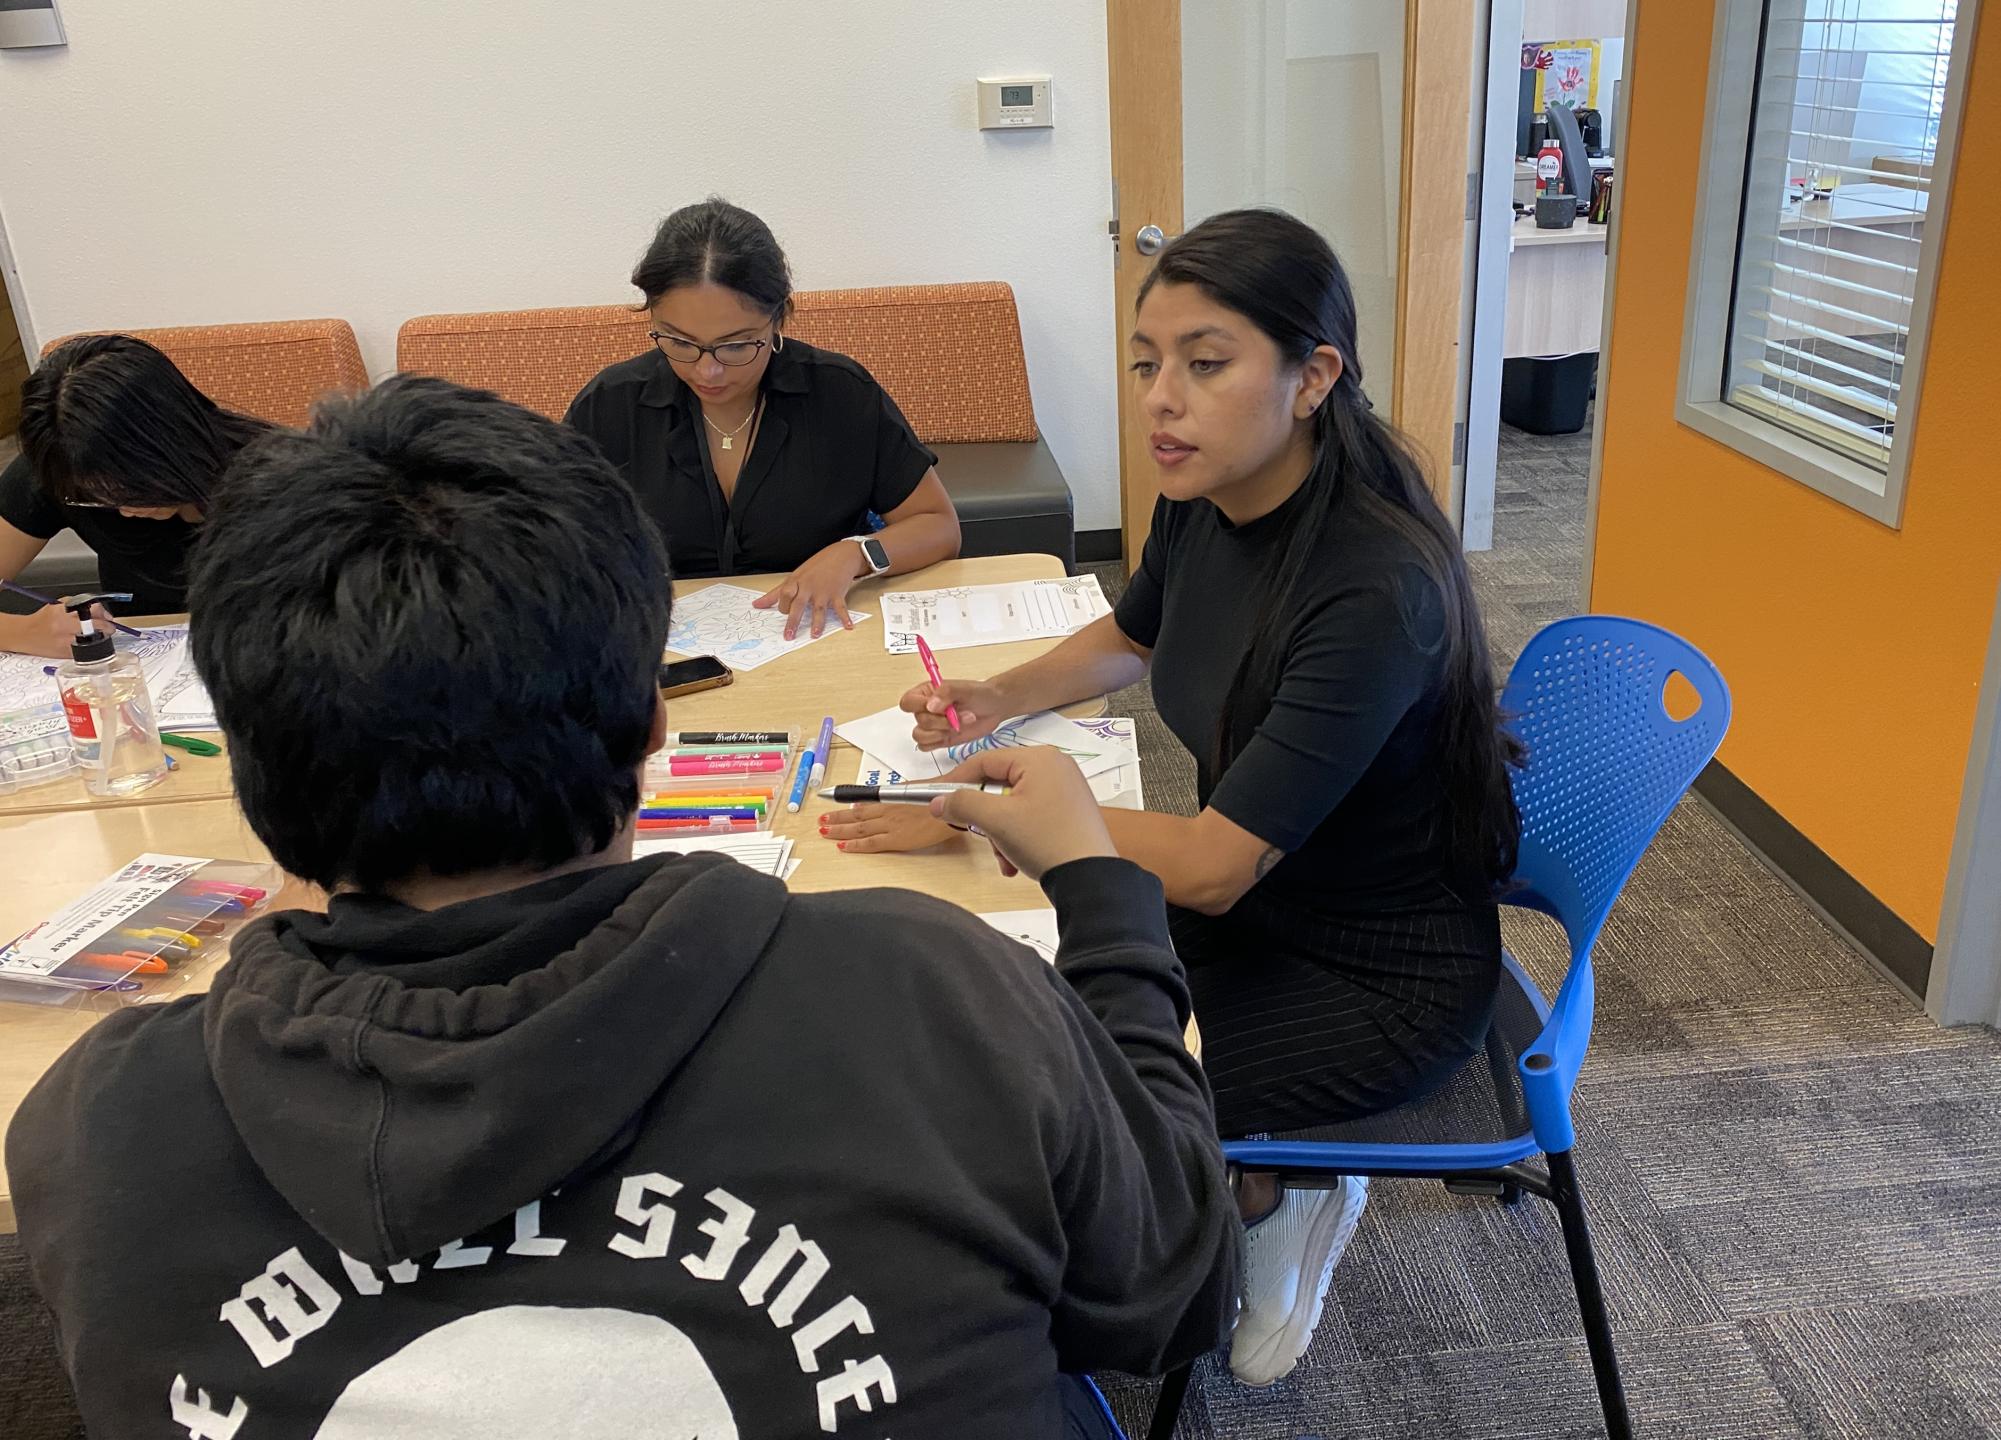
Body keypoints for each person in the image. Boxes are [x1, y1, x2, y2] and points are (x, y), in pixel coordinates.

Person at [6, 376, 1238, 1438]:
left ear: (251, 766)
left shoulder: (94, 1124)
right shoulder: (934, 991)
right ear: (654, 725)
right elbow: (1175, 1292)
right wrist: (1106, 908)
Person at [820, 208, 1523, 1387]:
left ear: (1314, 378)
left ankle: (1287, 1182)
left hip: (1375, 973)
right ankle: (1243, 1171)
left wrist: (971, 813)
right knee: (1016, 1017)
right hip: (1258, 906)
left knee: (1070, 1105)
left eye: (1206, 363)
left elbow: (1207, 861)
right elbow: (1134, 636)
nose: (1161, 397)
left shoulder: (1372, 585)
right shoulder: (1208, 498)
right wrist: (1001, 697)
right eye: (1149, 362)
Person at [567, 198, 961, 638]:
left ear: (779, 319)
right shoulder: (610, 406)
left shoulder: (839, 393)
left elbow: (938, 526)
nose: (707, 370)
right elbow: (558, 549)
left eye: (736, 345)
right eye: (679, 342)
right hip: (658, 650)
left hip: (818, 633)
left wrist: (856, 555)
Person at [0, 333, 269, 656]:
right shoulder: (64, 466)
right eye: (98, 497)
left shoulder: (279, 479)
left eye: (135, 486)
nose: (125, 510)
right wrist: (23, 632)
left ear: (174, 439)